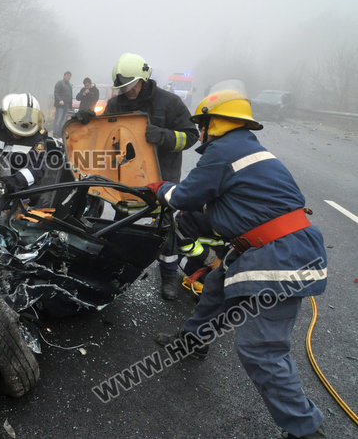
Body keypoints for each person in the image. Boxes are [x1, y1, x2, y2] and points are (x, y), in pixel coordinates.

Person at [150, 87, 327, 439]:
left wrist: (158, 187)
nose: (200, 131)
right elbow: (234, 204)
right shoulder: (249, 149)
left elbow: (184, 195)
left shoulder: (223, 151)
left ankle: (305, 430)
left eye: (202, 124)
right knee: (217, 287)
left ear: (214, 123)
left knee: (260, 349)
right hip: (273, 248)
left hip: (280, 256)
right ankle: (192, 341)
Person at [107, 52, 199, 300]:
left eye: (130, 85)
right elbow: (102, 133)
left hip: (161, 180)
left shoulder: (169, 103)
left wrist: (165, 137)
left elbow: (191, 135)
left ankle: (168, 274)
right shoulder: (116, 104)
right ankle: (112, 270)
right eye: (122, 87)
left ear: (143, 78)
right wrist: (85, 121)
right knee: (120, 226)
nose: (127, 91)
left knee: (164, 230)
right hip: (125, 180)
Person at [52, 71, 72, 138]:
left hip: (67, 105)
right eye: (67, 75)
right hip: (60, 105)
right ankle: (55, 133)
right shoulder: (60, 83)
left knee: (63, 120)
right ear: (64, 76)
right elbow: (56, 92)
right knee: (58, 119)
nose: (68, 77)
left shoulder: (69, 84)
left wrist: (70, 105)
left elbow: (70, 95)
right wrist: (60, 100)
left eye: (69, 76)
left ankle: (60, 133)